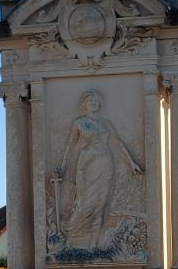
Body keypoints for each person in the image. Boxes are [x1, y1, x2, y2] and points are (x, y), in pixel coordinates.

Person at [56, 90, 142, 251]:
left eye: (96, 101)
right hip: (86, 166)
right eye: (90, 101)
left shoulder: (106, 124)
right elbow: (70, 147)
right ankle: (69, 243)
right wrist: (62, 166)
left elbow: (117, 144)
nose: (94, 104)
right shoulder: (79, 123)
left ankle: (93, 246)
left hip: (105, 164)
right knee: (83, 203)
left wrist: (131, 163)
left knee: (100, 204)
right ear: (84, 105)